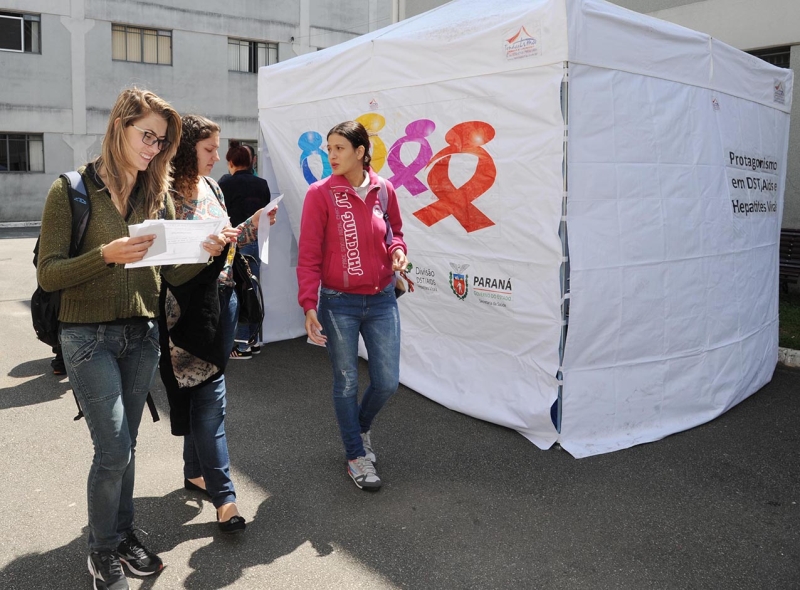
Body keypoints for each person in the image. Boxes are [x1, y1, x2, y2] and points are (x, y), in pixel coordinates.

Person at [37, 88, 225, 590]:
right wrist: (107, 254)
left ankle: (121, 535)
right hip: (86, 337)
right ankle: (101, 551)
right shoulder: (70, 190)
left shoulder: (154, 193)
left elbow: (173, 276)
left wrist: (209, 251)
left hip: (142, 333)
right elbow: (49, 274)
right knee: (114, 447)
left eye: (160, 141)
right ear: (119, 125)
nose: (153, 148)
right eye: (147, 136)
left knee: (127, 445)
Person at [158, 114, 276, 534]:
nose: (215, 157)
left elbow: (225, 241)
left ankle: (195, 470)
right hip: (185, 308)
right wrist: (200, 250)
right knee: (211, 396)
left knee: (201, 388)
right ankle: (226, 497)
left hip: (222, 297)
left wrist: (251, 226)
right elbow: (162, 262)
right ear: (188, 149)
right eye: (208, 149)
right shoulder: (164, 193)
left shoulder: (211, 186)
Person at [297, 120, 408, 491]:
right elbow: (309, 254)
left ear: (361, 152)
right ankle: (355, 455)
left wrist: (398, 253)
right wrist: (309, 304)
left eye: (339, 148)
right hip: (337, 302)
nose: (331, 155)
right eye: (329, 148)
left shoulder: (385, 189)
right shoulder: (320, 193)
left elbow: (396, 234)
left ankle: (358, 430)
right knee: (345, 382)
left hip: (381, 299)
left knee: (387, 382)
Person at [219, 143, 271, 359]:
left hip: (235, 243)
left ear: (231, 162)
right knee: (252, 290)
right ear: (251, 162)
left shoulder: (224, 183)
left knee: (239, 292)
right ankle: (253, 340)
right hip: (258, 241)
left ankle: (241, 346)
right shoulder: (262, 184)